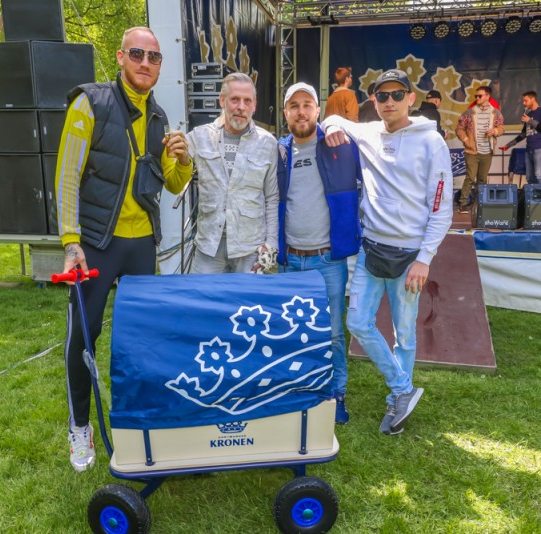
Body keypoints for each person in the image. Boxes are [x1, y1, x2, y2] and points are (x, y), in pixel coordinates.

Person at [55, 26, 193, 472]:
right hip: (95, 244)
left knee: (139, 341)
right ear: (120, 57)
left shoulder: (159, 116)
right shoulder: (89, 102)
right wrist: (71, 241)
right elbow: (67, 177)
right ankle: (80, 427)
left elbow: (171, 184)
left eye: (154, 58)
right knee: (84, 337)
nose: (146, 63)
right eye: (138, 54)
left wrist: (184, 161)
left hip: (140, 246)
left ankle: (138, 424)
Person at [322, 69, 453, 435]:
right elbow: (331, 115)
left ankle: (398, 404)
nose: (390, 102)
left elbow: (441, 207)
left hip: (410, 256)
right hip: (370, 250)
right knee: (358, 323)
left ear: (411, 98)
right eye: (382, 96)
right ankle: (403, 389)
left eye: (397, 95)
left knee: (405, 334)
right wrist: (332, 126)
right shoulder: (366, 132)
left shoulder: (432, 143)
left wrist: (425, 258)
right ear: (373, 101)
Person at [277, 82, 362, 425]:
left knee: (332, 334)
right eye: (293, 105)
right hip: (290, 261)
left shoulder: (338, 144)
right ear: (285, 113)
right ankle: (298, 389)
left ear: (317, 110)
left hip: (328, 260)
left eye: (307, 104)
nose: (300, 111)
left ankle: (335, 393)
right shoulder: (280, 152)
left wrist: (337, 125)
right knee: (291, 330)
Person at [186, 72, 278, 274]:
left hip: (250, 249)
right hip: (208, 247)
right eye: (235, 99)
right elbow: (174, 167)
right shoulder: (199, 137)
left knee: (248, 306)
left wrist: (270, 245)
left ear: (254, 105)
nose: (241, 107)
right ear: (222, 100)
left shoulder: (268, 144)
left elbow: (272, 198)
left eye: (247, 101)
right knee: (200, 302)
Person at [455, 86, 506, 213]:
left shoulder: (496, 113)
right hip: (472, 151)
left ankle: (480, 203)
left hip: (487, 151)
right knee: (470, 177)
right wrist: (466, 140)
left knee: (482, 179)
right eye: (476, 96)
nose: (477, 98)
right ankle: (463, 203)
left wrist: (495, 131)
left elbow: (502, 128)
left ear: (488, 96)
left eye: (480, 96)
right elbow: (459, 128)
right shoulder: (470, 112)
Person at [502, 90, 541, 184]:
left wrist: (530, 121)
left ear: (533, 99)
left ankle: (540, 197)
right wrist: (508, 145)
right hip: (529, 149)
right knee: (529, 177)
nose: (524, 103)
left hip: (540, 148)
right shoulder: (528, 114)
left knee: (538, 175)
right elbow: (524, 134)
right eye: (523, 101)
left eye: (526, 101)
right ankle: (532, 197)